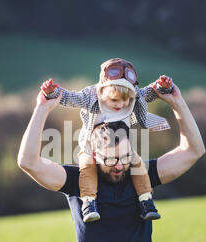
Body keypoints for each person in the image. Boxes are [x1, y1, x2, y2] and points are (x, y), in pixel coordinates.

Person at [18, 80, 206, 242]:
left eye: (125, 157)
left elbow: (193, 151)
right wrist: (42, 108)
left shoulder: (141, 173)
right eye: (111, 159)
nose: (119, 165)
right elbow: (28, 162)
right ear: (95, 156)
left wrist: (178, 103)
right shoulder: (76, 180)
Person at [40, 58, 174, 223]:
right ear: (101, 93)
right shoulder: (91, 97)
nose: (121, 104)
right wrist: (52, 93)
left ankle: (146, 200)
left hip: (120, 147)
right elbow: (70, 98)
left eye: (126, 100)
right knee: (86, 167)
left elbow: (148, 93)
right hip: (91, 147)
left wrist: (162, 86)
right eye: (115, 100)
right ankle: (89, 203)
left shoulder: (133, 98)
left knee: (137, 163)